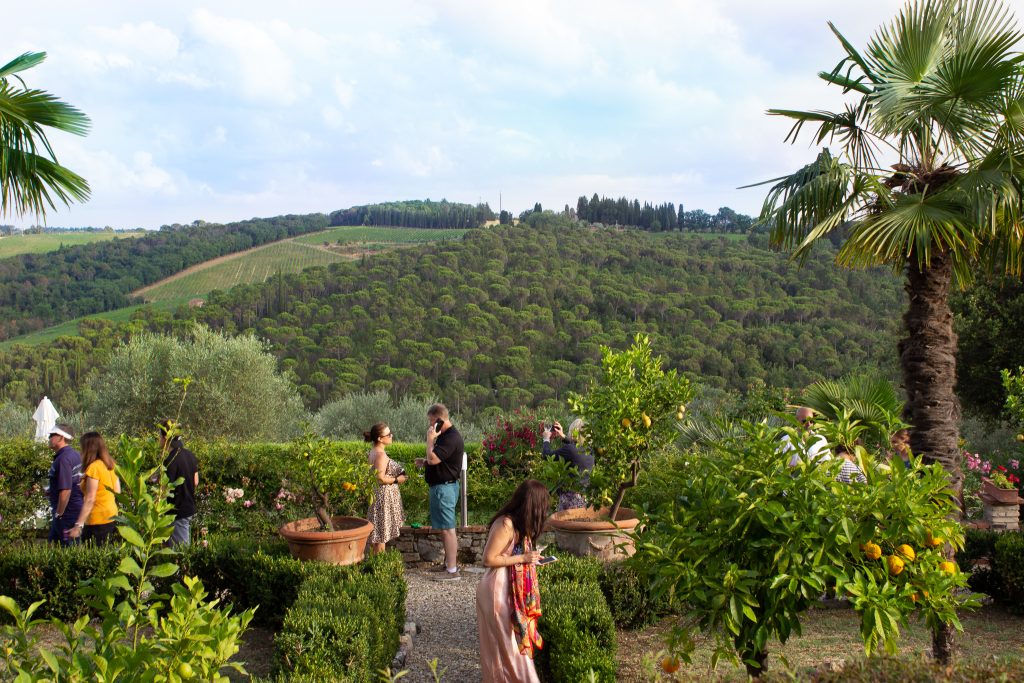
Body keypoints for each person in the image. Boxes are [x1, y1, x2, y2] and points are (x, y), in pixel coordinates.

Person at [476, 479, 549, 683]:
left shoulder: (519, 525)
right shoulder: (506, 524)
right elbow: (488, 559)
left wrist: (531, 558)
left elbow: (516, 555)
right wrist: (523, 558)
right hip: (496, 590)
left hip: (509, 588)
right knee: (511, 645)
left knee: (506, 645)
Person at [415, 403, 464, 581]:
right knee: (444, 528)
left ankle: (452, 571)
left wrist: (429, 440)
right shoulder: (445, 436)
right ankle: (448, 564)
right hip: (442, 487)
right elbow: (440, 460)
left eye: (431, 421)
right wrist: (425, 462)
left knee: (448, 529)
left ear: (439, 420)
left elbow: (434, 458)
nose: (430, 425)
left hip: (445, 488)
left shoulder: (451, 437)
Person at [67, 432, 120, 545]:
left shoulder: (94, 468)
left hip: (97, 520)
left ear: (87, 449)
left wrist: (78, 525)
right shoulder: (111, 465)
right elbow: (117, 492)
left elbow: (90, 498)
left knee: (94, 555)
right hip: (111, 516)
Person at [365, 422, 408, 554]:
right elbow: (380, 478)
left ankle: (375, 565)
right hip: (383, 497)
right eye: (388, 434)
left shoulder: (372, 452)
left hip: (377, 495)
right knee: (381, 535)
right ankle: (379, 566)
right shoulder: (380, 455)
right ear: (380, 438)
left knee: (377, 534)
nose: (391, 436)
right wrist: (397, 479)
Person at [159, 420, 199, 546]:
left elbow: (164, 491)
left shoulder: (170, 460)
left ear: (166, 437)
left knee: (180, 553)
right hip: (188, 507)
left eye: (159, 436)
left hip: (176, 512)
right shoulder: (190, 455)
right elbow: (196, 481)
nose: (158, 439)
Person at [542, 418, 594, 511]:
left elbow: (546, 456)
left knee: (566, 524)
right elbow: (577, 448)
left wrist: (546, 440)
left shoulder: (569, 449)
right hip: (586, 497)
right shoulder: (590, 450)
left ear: (573, 432)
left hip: (570, 499)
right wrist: (563, 436)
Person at [46, 424, 83, 546]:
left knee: (67, 551)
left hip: (66, 515)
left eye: (52, 435)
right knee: (54, 547)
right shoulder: (75, 455)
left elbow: (66, 490)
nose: (49, 437)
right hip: (73, 511)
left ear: (61, 437)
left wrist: (58, 514)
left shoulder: (63, 459)